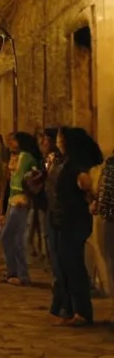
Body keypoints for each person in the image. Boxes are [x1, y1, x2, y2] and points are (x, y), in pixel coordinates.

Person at [49, 126, 103, 327]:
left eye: (60, 139)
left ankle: (81, 311)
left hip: (74, 220)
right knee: (65, 264)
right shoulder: (66, 162)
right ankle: (70, 308)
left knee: (73, 265)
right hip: (64, 220)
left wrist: (90, 197)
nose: (58, 142)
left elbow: (86, 184)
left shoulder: (77, 165)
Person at [0, 132, 42, 286]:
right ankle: (13, 271)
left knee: (14, 238)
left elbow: (31, 179)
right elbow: (12, 184)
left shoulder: (27, 157)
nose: (10, 143)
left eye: (13, 141)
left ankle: (21, 274)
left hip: (21, 202)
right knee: (10, 237)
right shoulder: (17, 157)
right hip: (13, 201)